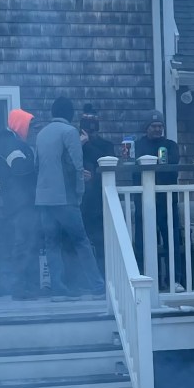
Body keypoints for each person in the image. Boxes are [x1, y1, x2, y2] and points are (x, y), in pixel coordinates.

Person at [35, 96, 106, 302]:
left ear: (53, 113)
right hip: (64, 197)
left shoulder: (41, 134)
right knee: (81, 241)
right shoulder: (69, 132)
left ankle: (58, 289)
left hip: (43, 197)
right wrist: (79, 193)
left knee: (52, 243)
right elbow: (76, 165)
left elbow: (36, 165)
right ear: (70, 114)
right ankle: (98, 287)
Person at [0, 108, 42, 300]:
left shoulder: (16, 144)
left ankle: (30, 287)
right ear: (21, 126)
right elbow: (20, 169)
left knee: (29, 245)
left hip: (23, 204)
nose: (34, 131)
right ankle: (20, 288)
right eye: (31, 126)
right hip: (21, 205)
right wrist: (38, 164)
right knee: (23, 246)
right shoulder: (11, 145)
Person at [132, 110, 186, 290]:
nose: (157, 129)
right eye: (153, 126)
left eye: (160, 126)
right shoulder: (137, 146)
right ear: (146, 128)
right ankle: (143, 279)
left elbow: (172, 165)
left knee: (172, 241)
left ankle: (174, 280)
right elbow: (132, 167)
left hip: (167, 201)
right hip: (143, 202)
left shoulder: (170, 145)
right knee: (142, 242)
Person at [79, 104, 115, 269]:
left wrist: (87, 144)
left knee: (101, 242)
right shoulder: (73, 143)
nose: (90, 127)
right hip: (79, 202)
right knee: (79, 244)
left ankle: (103, 274)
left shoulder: (106, 145)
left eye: (93, 122)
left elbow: (107, 163)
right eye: (87, 123)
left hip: (99, 202)